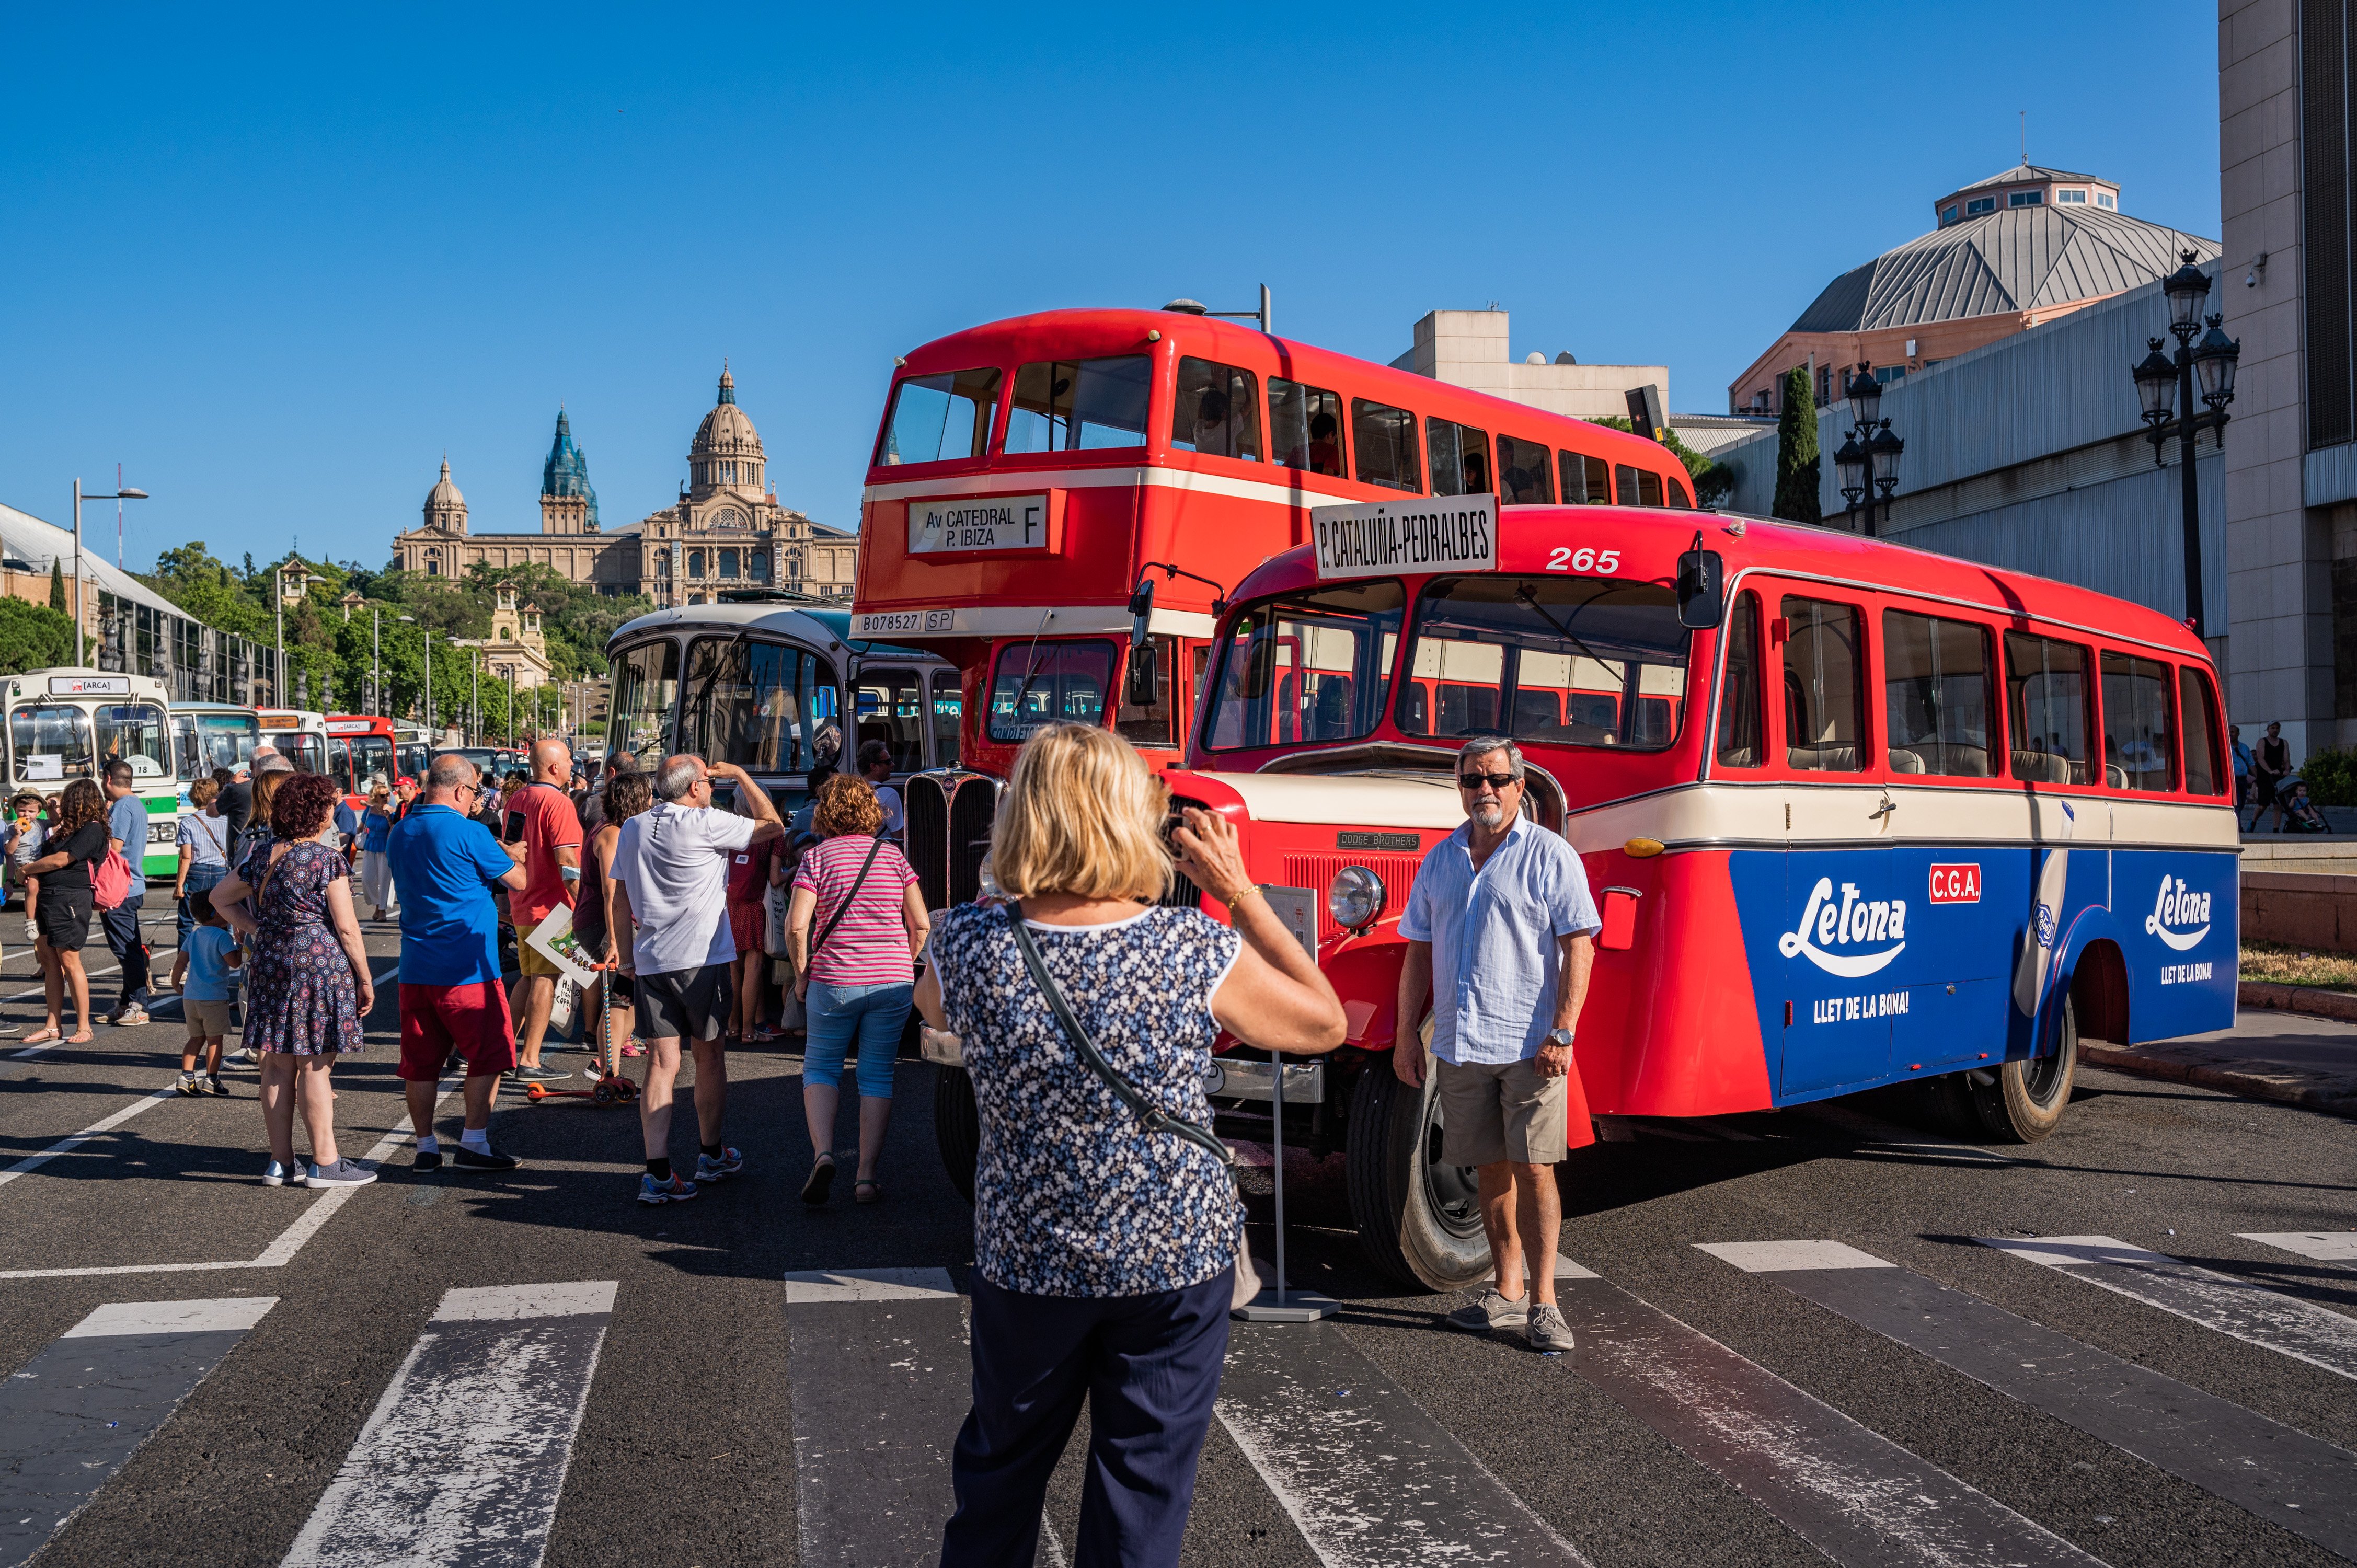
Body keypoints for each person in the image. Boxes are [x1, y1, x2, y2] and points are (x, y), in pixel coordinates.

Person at [919, 724, 1344, 1568]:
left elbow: (931, 1012)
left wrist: (996, 897)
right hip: (1172, 1257)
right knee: (1139, 1495)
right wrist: (1241, 890)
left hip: (1029, 1257)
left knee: (999, 1480)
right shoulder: (1187, 949)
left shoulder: (966, 944)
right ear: (1126, 821)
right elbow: (1323, 1020)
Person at [1397, 737, 1599, 1354]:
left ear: (1520, 785)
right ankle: (1506, 1290)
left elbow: (1579, 946)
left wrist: (1563, 1031)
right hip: (1462, 1044)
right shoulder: (1441, 860)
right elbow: (1418, 950)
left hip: (1531, 1044)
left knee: (1535, 1169)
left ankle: (1545, 1303)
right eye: (1471, 781)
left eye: (1496, 779)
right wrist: (1407, 1033)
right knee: (1489, 1168)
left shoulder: (1550, 855)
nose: (1483, 790)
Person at [608, 754, 784, 1204]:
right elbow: (772, 824)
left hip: (651, 960)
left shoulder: (632, 828)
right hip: (702, 958)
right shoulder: (706, 822)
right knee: (708, 1058)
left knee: (661, 1064)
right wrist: (743, 773)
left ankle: (658, 1173)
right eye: (708, 780)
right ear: (693, 790)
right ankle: (710, 1154)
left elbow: (621, 896)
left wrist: (626, 961)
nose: (712, 785)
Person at [209, 773, 378, 1189]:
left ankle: (280, 1163)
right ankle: (325, 1162)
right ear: (317, 812)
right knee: (316, 1066)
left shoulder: (262, 854)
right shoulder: (326, 859)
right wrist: (366, 978)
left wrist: (257, 927)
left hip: (271, 964)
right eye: (328, 806)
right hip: (318, 966)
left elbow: (219, 898)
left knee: (276, 1065)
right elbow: (347, 928)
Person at [785, 775, 928, 1205]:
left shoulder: (815, 859)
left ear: (825, 812)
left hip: (833, 979)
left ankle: (823, 1154)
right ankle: (865, 1176)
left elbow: (796, 926)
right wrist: (903, 959)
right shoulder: (893, 857)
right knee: (876, 1074)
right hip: (893, 981)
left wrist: (801, 975)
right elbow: (920, 923)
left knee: (822, 1068)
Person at [387, 753, 528, 1173]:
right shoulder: (470, 832)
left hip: (415, 967)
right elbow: (518, 881)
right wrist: (508, 851)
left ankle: (425, 1146)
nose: (475, 802)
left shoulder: (400, 831)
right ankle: (473, 1143)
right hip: (468, 969)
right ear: (461, 790)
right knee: (489, 1055)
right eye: (475, 793)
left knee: (420, 1063)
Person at [500, 739, 582, 1086]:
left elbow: (512, 852)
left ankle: (505, 1051)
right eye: (567, 761)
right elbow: (567, 862)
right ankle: (530, 1058)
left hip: (523, 903)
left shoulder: (517, 799)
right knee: (546, 979)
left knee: (529, 978)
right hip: (554, 907)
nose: (570, 767)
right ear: (554, 768)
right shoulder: (559, 803)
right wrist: (587, 904)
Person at [19, 779, 108, 1045]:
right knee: (50, 963)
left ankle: (84, 1026)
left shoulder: (92, 830)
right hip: (48, 898)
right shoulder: (66, 829)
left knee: (70, 962)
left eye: (67, 800)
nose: (61, 805)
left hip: (69, 899)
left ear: (79, 800)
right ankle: (52, 1025)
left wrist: (28, 869)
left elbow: (62, 859)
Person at [579, 769, 653, 1065]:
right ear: (635, 801)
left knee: (630, 993)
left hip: (607, 922)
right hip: (601, 924)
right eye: (648, 796)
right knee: (623, 995)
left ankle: (607, 1065)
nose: (652, 802)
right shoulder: (611, 833)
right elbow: (612, 892)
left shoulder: (614, 829)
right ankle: (605, 1068)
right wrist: (614, 940)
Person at [98, 760, 154, 1027]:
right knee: (130, 947)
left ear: (108, 779)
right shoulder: (135, 804)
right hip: (132, 886)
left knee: (125, 951)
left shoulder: (122, 807)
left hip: (120, 889)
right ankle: (125, 1003)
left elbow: (114, 848)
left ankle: (138, 1005)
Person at [723, 810, 780, 1045]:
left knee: (734, 967)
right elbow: (775, 879)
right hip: (757, 904)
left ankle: (733, 1025)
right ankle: (749, 1030)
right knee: (754, 965)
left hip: (730, 903)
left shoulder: (729, 828)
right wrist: (792, 873)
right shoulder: (772, 835)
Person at [174, 899, 240, 1097]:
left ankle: (186, 1076)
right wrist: (243, 947)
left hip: (191, 997)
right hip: (213, 997)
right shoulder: (222, 937)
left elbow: (180, 961)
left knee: (195, 1038)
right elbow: (234, 963)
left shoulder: (194, 935)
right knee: (214, 1041)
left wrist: (176, 983)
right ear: (216, 914)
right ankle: (211, 1079)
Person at [174, 777, 233, 958]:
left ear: (193, 796)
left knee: (186, 921)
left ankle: (183, 966)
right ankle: (226, 958)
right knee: (224, 917)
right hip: (221, 871)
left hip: (196, 873)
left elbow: (186, 856)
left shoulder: (188, 823)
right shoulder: (226, 820)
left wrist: (179, 886)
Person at [5, 791, 46, 939]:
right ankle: (30, 922)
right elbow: (9, 851)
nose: (26, 814)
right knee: (32, 887)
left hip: (42, 863)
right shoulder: (11, 829)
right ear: (15, 810)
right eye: (22, 810)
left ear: (39, 812)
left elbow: (56, 821)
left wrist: (53, 808)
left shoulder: (41, 824)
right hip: (25, 866)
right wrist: (17, 835)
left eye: (32, 811)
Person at [357, 784, 400, 920]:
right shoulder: (369, 811)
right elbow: (361, 827)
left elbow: (394, 829)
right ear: (375, 797)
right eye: (382, 795)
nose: (386, 798)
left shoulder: (393, 811)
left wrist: (388, 817)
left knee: (385, 880)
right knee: (368, 879)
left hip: (385, 848)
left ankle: (382, 910)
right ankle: (377, 905)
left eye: (388, 794)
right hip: (370, 847)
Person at [857, 739, 905, 840]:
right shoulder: (889, 794)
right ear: (874, 766)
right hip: (878, 853)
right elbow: (898, 838)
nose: (893, 765)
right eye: (888, 762)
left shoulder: (852, 794)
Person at [2253, 720, 2293, 832]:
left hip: (2278, 776)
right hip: (2265, 776)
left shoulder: (2283, 742)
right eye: (2273, 728)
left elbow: (2286, 759)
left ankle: (2276, 829)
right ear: (2268, 729)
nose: (2275, 730)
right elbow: (2261, 759)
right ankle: (2253, 822)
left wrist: (2287, 770)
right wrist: (2270, 771)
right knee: (2263, 806)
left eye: (2277, 728)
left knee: (2278, 803)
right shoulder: (2262, 742)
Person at [2230, 724, 2255, 808]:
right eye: (2229, 732)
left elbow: (2251, 764)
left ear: (2238, 734)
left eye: (2233, 732)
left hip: (2243, 779)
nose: (2231, 734)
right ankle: (2238, 821)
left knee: (2241, 805)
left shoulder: (2245, 748)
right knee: (2237, 804)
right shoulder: (2226, 747)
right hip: (2233, 780)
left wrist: (2258, 778)